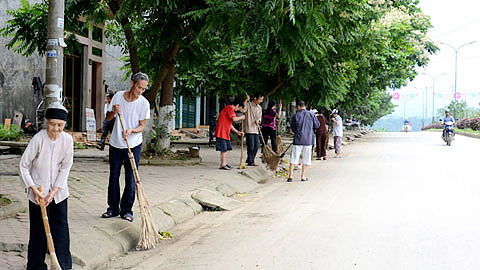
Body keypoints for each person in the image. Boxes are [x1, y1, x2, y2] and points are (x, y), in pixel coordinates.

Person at [19, 105, 74, 270]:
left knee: (61, 229)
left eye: (60, 125)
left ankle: (63, 265)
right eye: (52, 124)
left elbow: (66, 166)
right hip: (38, 193)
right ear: (46, 122)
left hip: (59, 193)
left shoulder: (67, 140)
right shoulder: (38, 139)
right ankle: (36, 266)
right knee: (38, 232)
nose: (55, 129)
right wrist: (33, 188)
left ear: (64, 125)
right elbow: (23, 165)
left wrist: (55, 191)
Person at [101, 72, 150, 222]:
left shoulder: (143, 103)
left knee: (131, 178)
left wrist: (131, 131)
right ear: (132, 83)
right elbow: (108, 118)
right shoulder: (118, 97)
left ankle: (127, 210)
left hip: (133, 145)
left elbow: (142, 126)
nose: (140, 92)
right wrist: (114, 111)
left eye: (143, 89)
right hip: (116, 143)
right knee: (113, 177)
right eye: (138, 87)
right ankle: (113, 209)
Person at [287, 101, 320, 182]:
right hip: (308, 140)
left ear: (298, 106)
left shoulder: (295, 115)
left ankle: (291, 176)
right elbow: (317, 125)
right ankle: (303, 177)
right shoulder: (311, 115)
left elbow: (293, 128)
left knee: (294, 158)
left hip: (298, 139)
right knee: (306, 159)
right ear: (305, 106)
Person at [214, 98, 245, 170]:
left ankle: (224, 163)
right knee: (224, 149)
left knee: (228, 148)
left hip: (225, 132)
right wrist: (241, 117)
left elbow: (230, 124)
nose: (239, 109)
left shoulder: (231, 111)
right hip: (221, 132)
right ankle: (223, 164)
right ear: (237, 105)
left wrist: (237, 132)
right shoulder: (229, 108)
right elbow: (234, 119)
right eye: (240, 107)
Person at [244, 93, 264, 166]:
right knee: (251, 145)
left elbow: (260, 117)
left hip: (256, 129)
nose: (261, 101)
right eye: (260, 99)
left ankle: (250, 159)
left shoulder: (259, 108)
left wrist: (258, 120)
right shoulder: (248, 105)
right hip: (249, 128)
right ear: (255, 98)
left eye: (262, 100)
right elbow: (242, 110)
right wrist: (246, 100)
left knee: (257, 145)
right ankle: (251, 161)